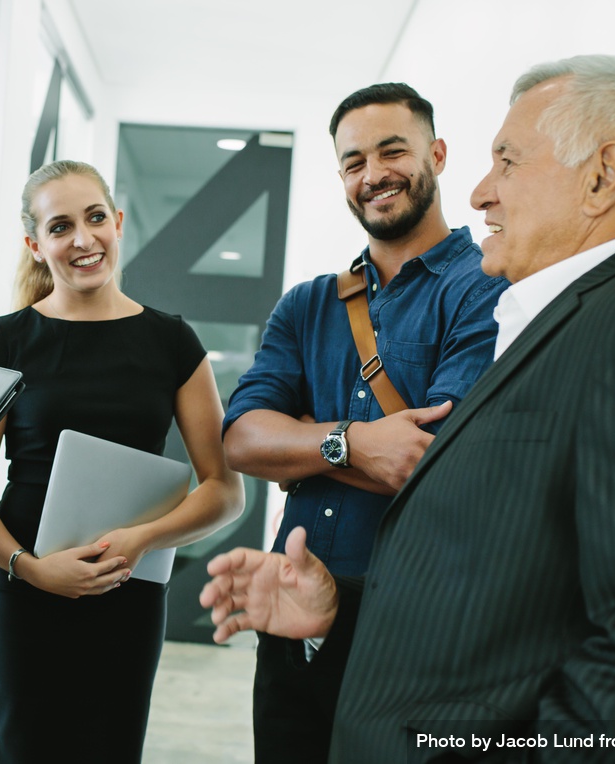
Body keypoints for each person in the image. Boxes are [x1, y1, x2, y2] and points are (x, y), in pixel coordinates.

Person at [202, 54, 615, 763]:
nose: (480, 192)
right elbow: (504, 580)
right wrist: (339, 609)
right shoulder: (560, 321)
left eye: (508, 161)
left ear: (601, 176)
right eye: (353, 160)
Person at [221, 83, 505, 761]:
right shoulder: (307, 304)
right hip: (293, 611)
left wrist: (303, 448)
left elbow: (435, 461)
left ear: (436, 153)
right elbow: (240, 439)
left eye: (392, 151)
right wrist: (352, 441)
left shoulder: (486, 285)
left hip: (420, 621)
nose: (373, 174)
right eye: (353, 162)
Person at [0, 159, 244, 763]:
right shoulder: (1, 342)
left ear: (119, 222)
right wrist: (31, 569)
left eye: (95, 218)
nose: (83, 239)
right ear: (35, 245)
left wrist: (143, 540)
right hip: (21, 596)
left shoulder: (172, 342)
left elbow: (223, 489)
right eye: (60, 227)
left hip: (127, 599)